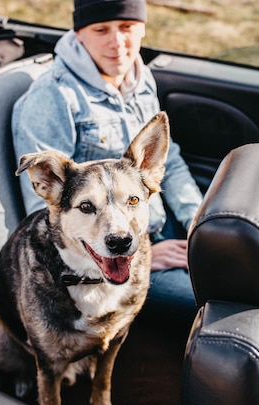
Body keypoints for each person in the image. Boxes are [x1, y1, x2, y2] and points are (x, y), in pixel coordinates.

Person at [11, 0, 203, 324]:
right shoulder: (54, 96)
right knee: (211, 302)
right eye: (101, 30)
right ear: (79, 33)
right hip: (108, 254)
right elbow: (42, 209)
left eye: (127, 27)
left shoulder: (140, 79)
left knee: (240, 265)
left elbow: (171, 162)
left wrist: (197, 220)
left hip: (155, 221)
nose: (117, 43)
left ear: (142, 28)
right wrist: (147, 255)